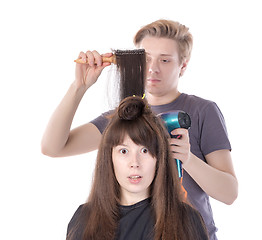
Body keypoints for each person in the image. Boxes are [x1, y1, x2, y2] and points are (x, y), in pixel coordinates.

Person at [41, 19, 238, 239]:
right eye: (146, 59)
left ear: (183, 65)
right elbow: (52, 147)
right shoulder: (125, 117)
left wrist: (187, 158)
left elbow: (229, 193)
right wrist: (79, 86)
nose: (153, 68)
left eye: (165, 60)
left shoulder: (203, 111)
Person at [66, 96, 209, 240]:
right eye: (124, 151)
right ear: (109, 158)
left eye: (144, 151)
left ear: (159, 158)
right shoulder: (84, 220)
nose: (134, 163)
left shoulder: (186, 220)